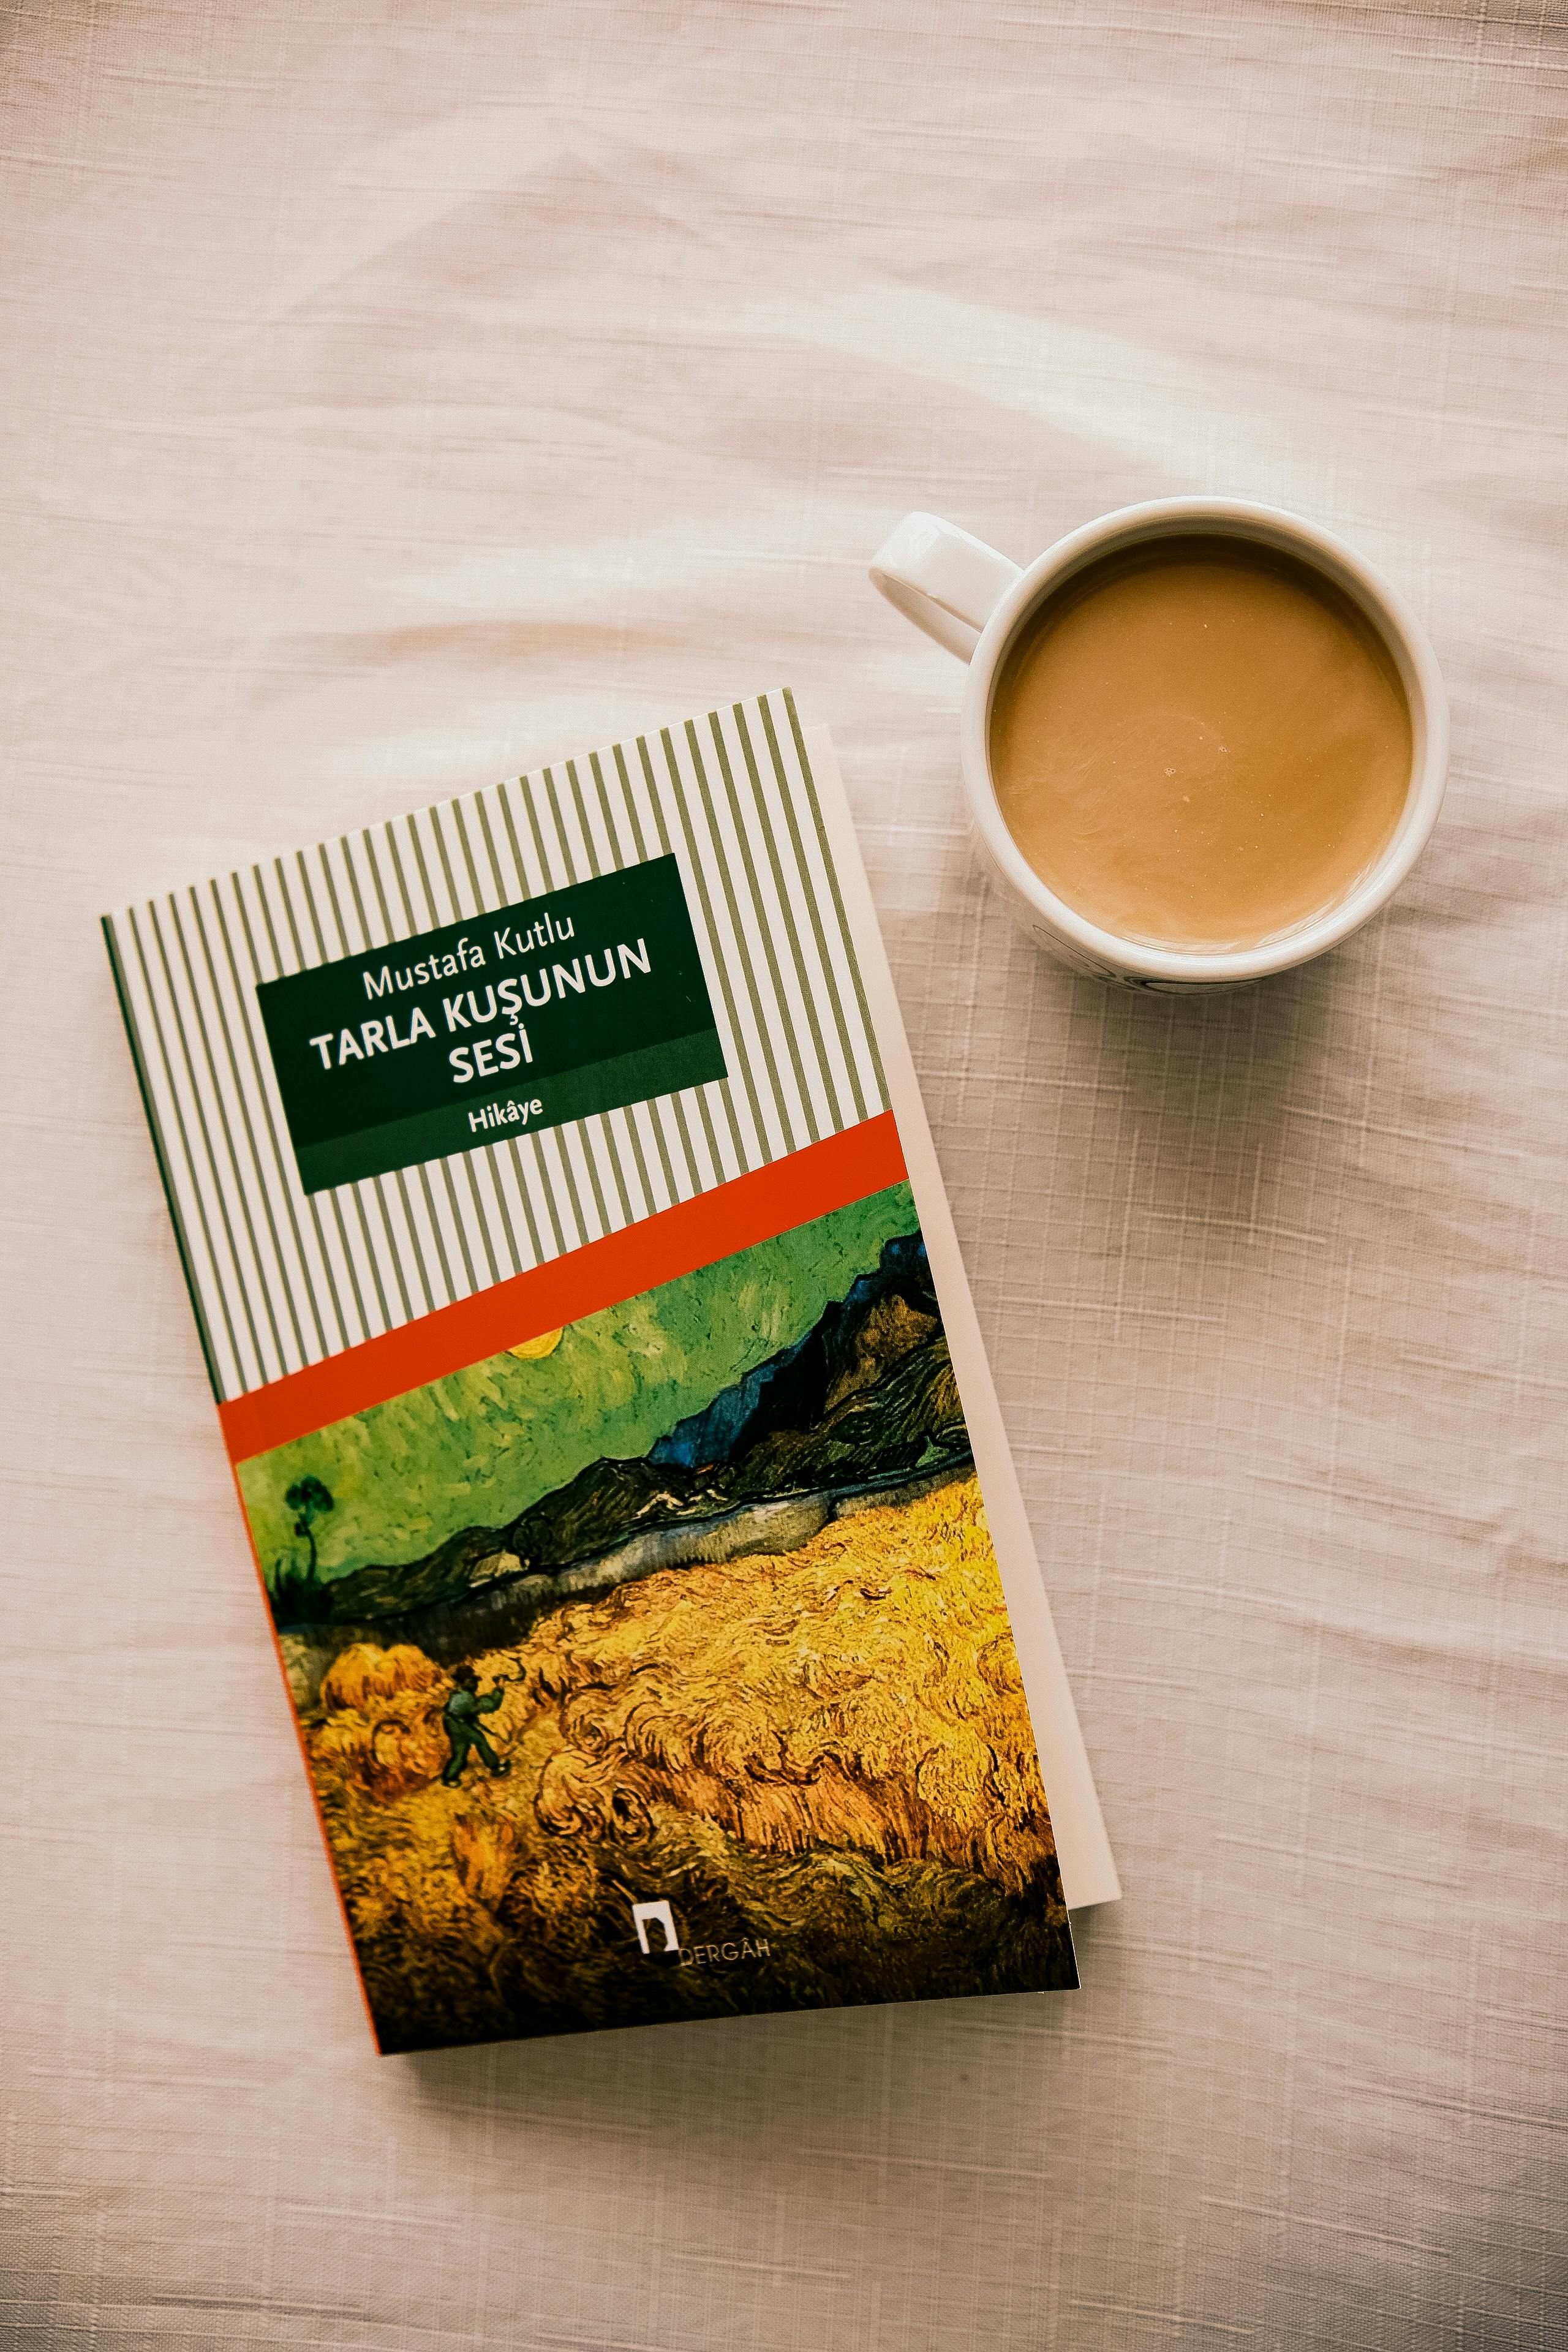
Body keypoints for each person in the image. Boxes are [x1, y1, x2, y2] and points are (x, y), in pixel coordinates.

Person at [439, 1664, 513, 1785]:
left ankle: (449, 1777)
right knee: (479, 1740)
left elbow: (466, 1711)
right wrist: (499, 1688)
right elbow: (489, 1705)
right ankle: (495, 1768)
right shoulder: (465, 1697)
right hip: (458, 1725)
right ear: (465, 1682)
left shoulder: (458, 1693)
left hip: (453, 1724)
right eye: (472, 1681)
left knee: (460, 1751)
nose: (474, 1684)